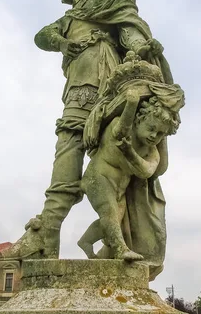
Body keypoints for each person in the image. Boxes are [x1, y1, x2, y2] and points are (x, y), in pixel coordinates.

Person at [4, 0, 173, 260]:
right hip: (78, 86)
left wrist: (141, 48)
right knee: (68, 148)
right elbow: (42, 36)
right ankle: (47, 230)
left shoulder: (105, 0)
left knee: (115, 157)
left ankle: (114, 242)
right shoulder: (67, 19)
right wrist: (61, 42)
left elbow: (128, 31)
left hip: (109, 84)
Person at [78, 81, 183, 263]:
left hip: (119, 188)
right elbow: (121, 132)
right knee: (109, 213)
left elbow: (147, 171)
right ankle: (121, 250)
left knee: (113, 221)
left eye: (159, 134)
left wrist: (130, 152)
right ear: (140, 118)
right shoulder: (120, 124)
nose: (154, 136)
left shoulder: (151, 151)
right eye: (151, 128)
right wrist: (131, 105)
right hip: (98, 178)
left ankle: (85, 241)